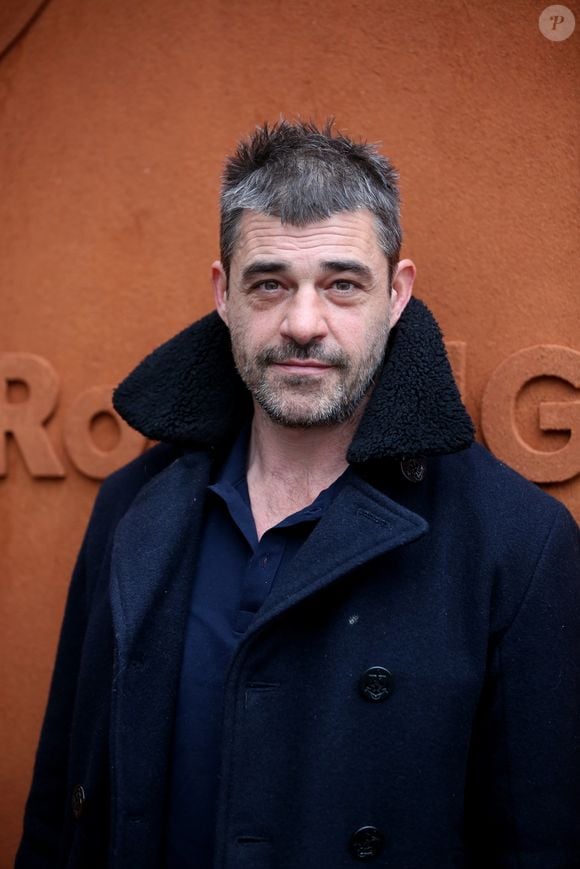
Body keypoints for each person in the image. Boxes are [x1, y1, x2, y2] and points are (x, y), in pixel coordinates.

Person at [16, 120, 580, 869]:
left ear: (398, 292)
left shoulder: (517, 543)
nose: (304, 323)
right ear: (223, 294)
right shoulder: (132, 510)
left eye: (343, 284)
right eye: (270, 283)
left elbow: (541, 840)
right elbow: (61, 810)